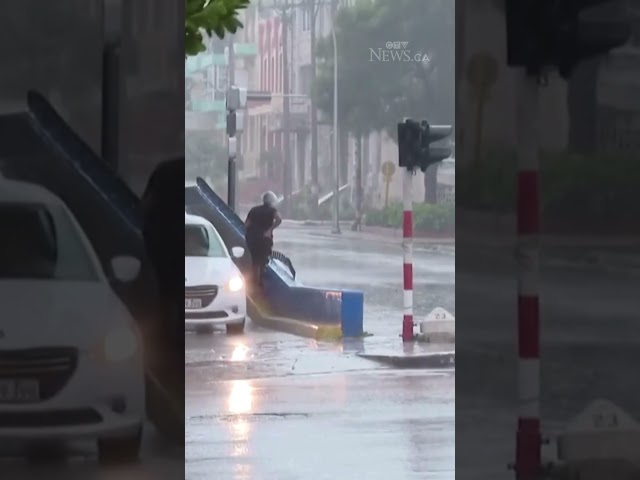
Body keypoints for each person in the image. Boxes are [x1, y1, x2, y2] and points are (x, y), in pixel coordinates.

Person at [244, 191, 282, 287]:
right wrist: (270, 230)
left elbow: (246, 224)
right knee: (261, 262)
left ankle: (255, 282)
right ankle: (257, 284)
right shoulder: (272, 210)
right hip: (264, 239)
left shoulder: (254, 210)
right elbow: (279, 219)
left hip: (252, 239)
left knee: (255, 261)